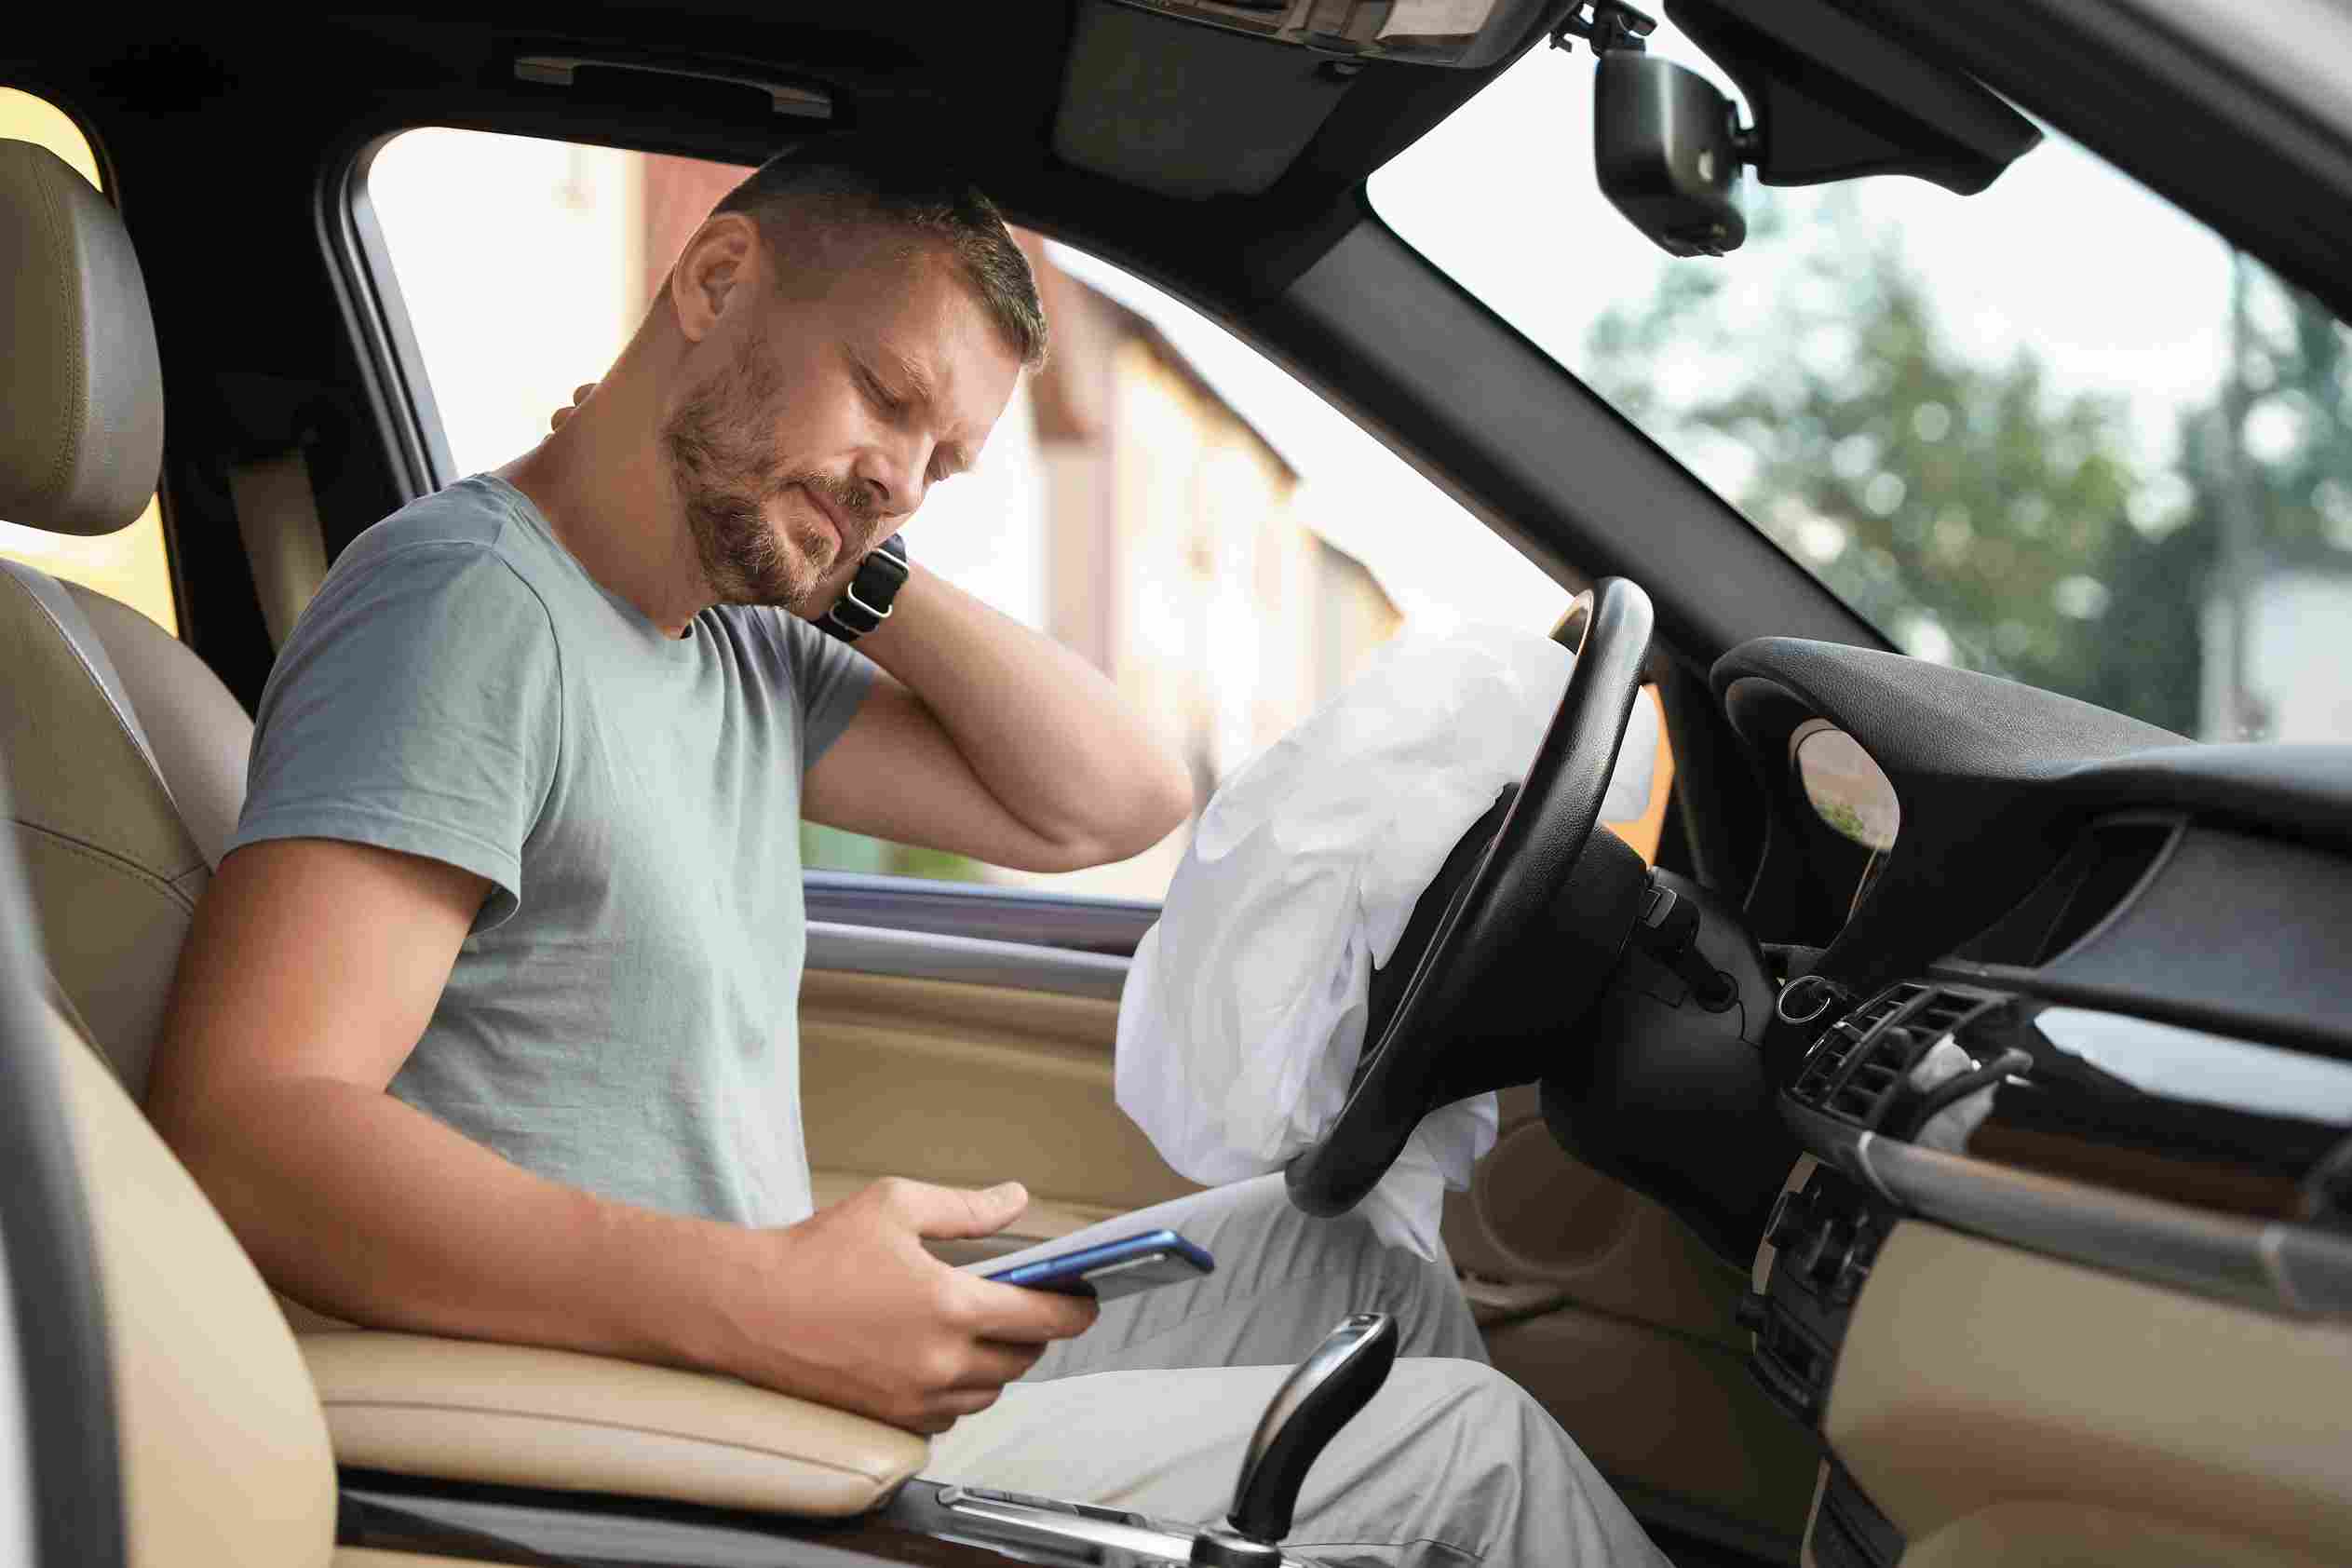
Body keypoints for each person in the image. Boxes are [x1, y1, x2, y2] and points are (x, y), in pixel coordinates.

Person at [146, 138, 1667, 1567]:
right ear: (716, 276)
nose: (897, 479)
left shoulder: (728, 645)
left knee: (1342, 1258)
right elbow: (252, 1121)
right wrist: (759, 1301)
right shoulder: (469, 611)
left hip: (740, 1345)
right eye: (883, 395)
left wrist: (843, 551)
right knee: (1478, 1450)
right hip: (646, 1415)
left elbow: (1107, 801)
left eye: (942, 464)